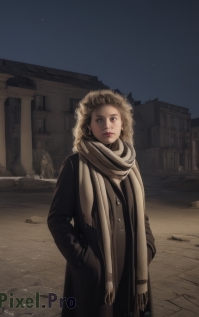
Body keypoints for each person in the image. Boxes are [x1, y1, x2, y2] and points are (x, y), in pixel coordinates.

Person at [47, 90, 156, 317]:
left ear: (122, 124)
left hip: (133, 265)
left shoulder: (131, 165)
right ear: (88, 126)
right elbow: (57, 219)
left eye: (113, 118)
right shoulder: (75, 165)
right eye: (99, 119)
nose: (107, 125)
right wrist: (84, 260)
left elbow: (141, 215)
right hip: (96, 271)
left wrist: (148, 248)